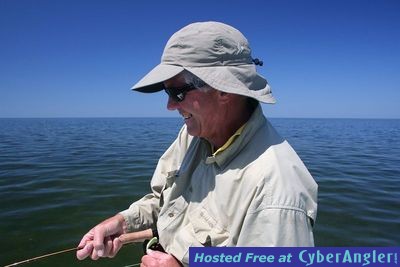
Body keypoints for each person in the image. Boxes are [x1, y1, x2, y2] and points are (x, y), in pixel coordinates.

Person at [76, 21, 318, 267]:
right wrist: (122, 222)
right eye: (166, 92)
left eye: (177, 92)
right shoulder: (193, 134)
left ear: (223, 90)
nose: (170, 106)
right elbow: (163, 200)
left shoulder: (277, 192)